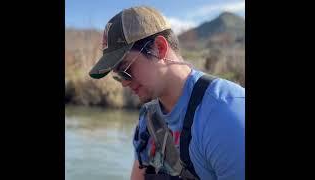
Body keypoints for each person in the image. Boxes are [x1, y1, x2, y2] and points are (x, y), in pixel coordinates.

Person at [89, 6, 245, 180]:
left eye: (125, 68)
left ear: (159, 48)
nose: (124, 83)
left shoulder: (225, 115)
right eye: (118, 75)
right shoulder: (148, 119)